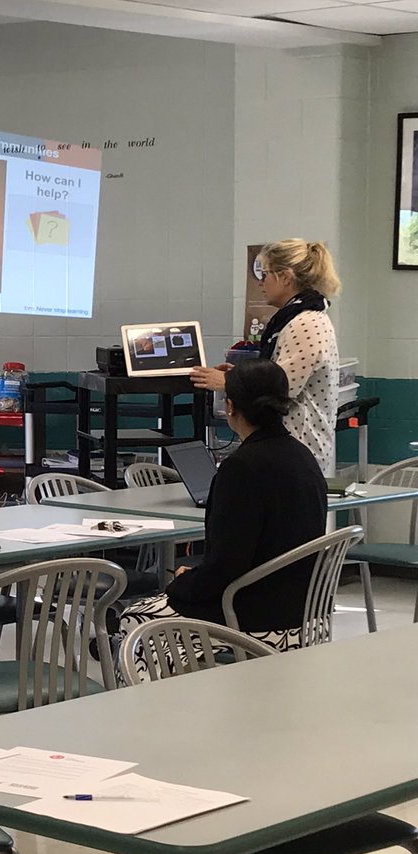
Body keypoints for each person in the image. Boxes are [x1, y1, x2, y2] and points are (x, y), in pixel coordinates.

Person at [119, 358, 327, 670]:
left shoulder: (242, 468)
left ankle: (155, 713)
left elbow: (228, 563)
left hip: (255, 618)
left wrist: (183, 584)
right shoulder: (304, 456)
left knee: (136, 619)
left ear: (230, 407)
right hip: (307, 613)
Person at [191, 239, 341, 473]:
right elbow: (275, 374)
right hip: (288, 452)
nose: (260, 283)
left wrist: (229, 383)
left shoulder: (306, 323)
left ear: (286, 277)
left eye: (265, 274)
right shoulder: (293, 319)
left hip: (298, 451)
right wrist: (242, 375)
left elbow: (280, 389)